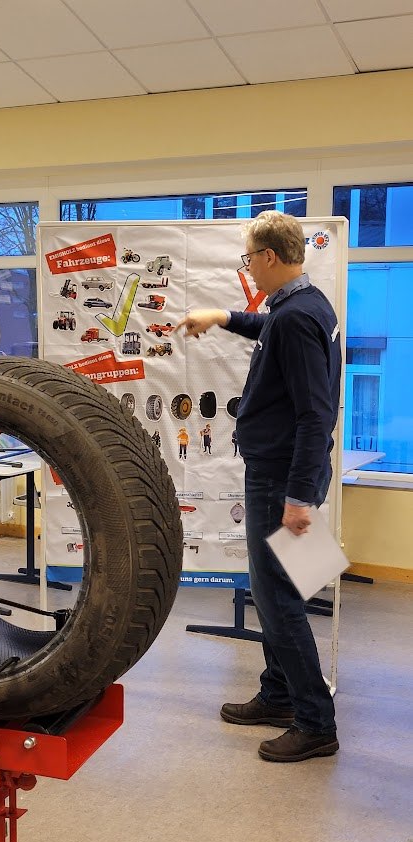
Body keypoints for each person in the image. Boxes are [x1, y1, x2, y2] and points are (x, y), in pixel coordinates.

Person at [176, 210, 342, 763]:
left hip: (281, 477)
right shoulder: (302, 305)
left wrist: (298, 497)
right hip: (284, 472)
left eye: (249, 258)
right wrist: (223, 316)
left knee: (278, 599)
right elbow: (265, 328)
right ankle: (278, 695)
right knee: (278, 591)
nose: (247, 267)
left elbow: (316, 415)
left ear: (269, 256)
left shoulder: (294, 318)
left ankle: (315, 722)